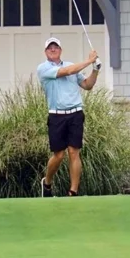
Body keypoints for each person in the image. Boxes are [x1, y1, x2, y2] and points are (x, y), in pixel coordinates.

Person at [37, 37, 101, 197]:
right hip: (56, 116)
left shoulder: (71, 65)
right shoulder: (43, 69)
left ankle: (73, 191)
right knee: (58, 155)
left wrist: (95, 69)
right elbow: (68, 72)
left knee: (74, 152)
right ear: (45, 51)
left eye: (56, 47)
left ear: (60, 49)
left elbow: (87, 85)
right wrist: (89, 61)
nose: (53, 49)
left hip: (75, 114)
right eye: (50, 48)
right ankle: (47, 182)